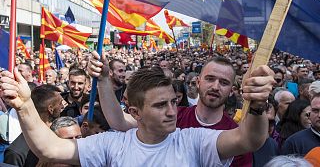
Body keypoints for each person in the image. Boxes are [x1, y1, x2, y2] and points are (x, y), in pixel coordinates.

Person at [0, 59, 273, 166]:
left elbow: (249, 140)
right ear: (135, 112)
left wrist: (258, 105)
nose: (171, 112)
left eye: (172, 102)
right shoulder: (111, 144)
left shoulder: (195, 141)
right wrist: (24, 106)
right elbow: (49, 149)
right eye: (159, 105)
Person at [87, 51, 275, 167]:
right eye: (210, 79)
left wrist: (258, 103)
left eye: (224, 82)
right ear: (198, 81)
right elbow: (119, 121)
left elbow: (251, 139)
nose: (216, 86)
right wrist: (103, 80)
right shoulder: (174, 115)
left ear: (233, 89)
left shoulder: (233, 131)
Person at [4, 85, 64, 167]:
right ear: (50, 109)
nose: (63, 106)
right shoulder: (16, 152)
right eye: (60, 103)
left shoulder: (61, 136)